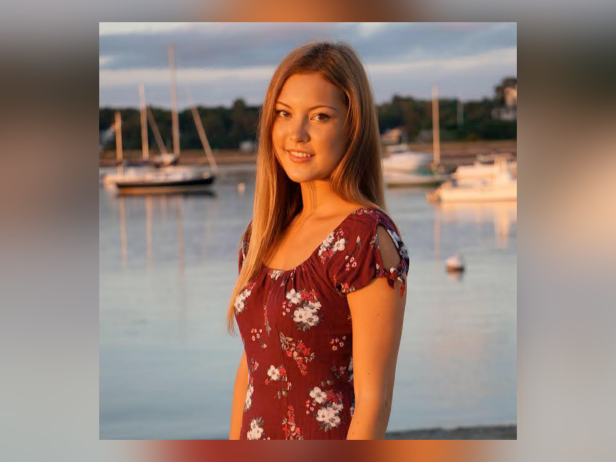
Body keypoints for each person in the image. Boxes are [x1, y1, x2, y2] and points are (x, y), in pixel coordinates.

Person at [227, 41, 409, 440]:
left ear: (352, 126)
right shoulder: (261, 235)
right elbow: (252, 370)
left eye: (320, 117)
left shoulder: (363, 238)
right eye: (284, 114)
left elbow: (375, 400)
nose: (297, 134)